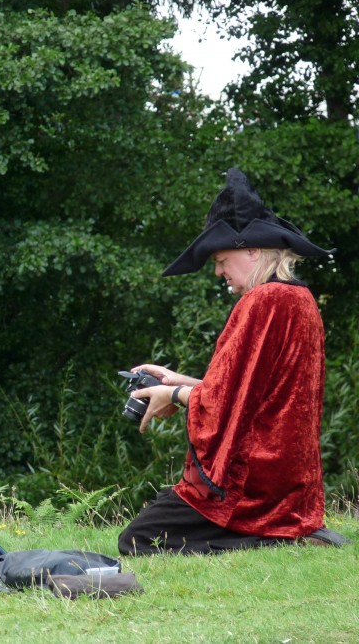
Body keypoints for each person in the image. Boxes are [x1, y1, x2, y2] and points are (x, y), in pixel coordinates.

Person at [117, 168, 347, 555]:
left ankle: (278, 537)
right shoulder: (297, 299)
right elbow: (249, 393)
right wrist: (180, 381)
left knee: (138, 540)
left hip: (252, 486)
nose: (220, 271)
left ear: (253, 250)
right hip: (283, 483)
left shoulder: (264, 301)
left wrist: (172, 395)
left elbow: (228, 405)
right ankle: (289, 533)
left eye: (222, 259)